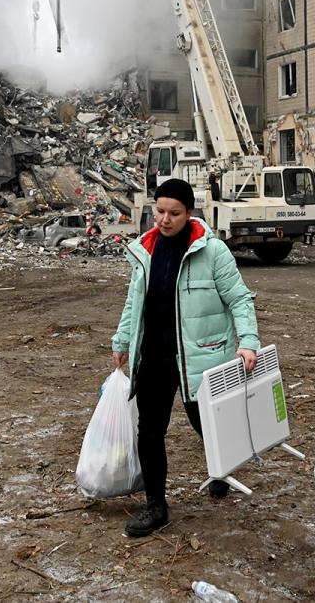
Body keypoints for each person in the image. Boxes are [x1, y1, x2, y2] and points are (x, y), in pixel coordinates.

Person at [111, 178, 260, 538]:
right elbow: (136, 302)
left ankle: (221, 468)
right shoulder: (145, 250)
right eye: (159, 211)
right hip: (154, 357)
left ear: (189, 213)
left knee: (204, 423)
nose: (164, 219)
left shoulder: (212, 252)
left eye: (174, 213)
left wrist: (248, 341)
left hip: (199, 357)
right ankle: (156, 506)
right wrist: (122, 339)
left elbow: (239, 299)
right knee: (149, 431)